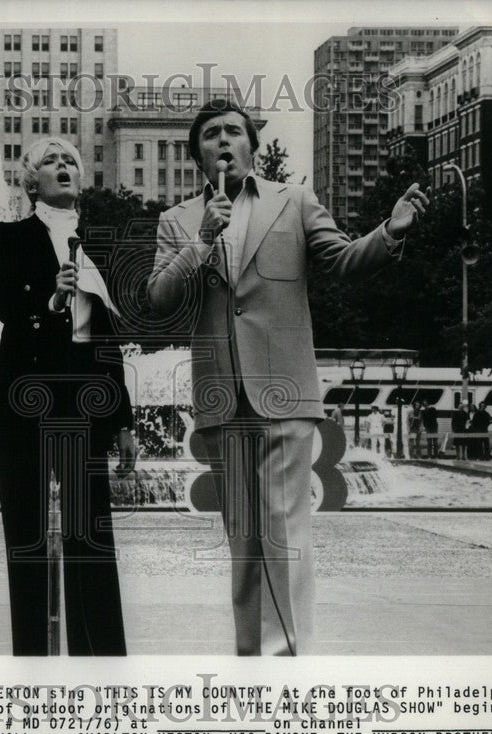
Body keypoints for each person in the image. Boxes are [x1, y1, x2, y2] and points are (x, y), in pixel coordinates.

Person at [148, 98, 427, 655]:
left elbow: (344, 260)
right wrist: (203, 240)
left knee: (285, 533)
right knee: (245, 543)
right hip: (222, 401)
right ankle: (253, 662)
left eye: (233, 131)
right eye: (211, 135)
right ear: (197, 154)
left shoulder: (293, 201)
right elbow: (158, 299)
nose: (223, 141)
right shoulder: (177, 221)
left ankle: (287, 664)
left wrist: (390, 232)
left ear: (251, 145)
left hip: (287, 398)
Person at [0, 138, 137, 656]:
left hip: (84, 408)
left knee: (90, 543)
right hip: (22, 402)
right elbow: (4, 308)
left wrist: (124, 421)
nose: (63, 166)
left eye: (70, 161)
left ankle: (102, 668)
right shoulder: (10, 236)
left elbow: (108, 343)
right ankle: (34, 667)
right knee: (26, 543)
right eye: (51, 161)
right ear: (31, 180)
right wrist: (52, 296)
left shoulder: (99, 243)